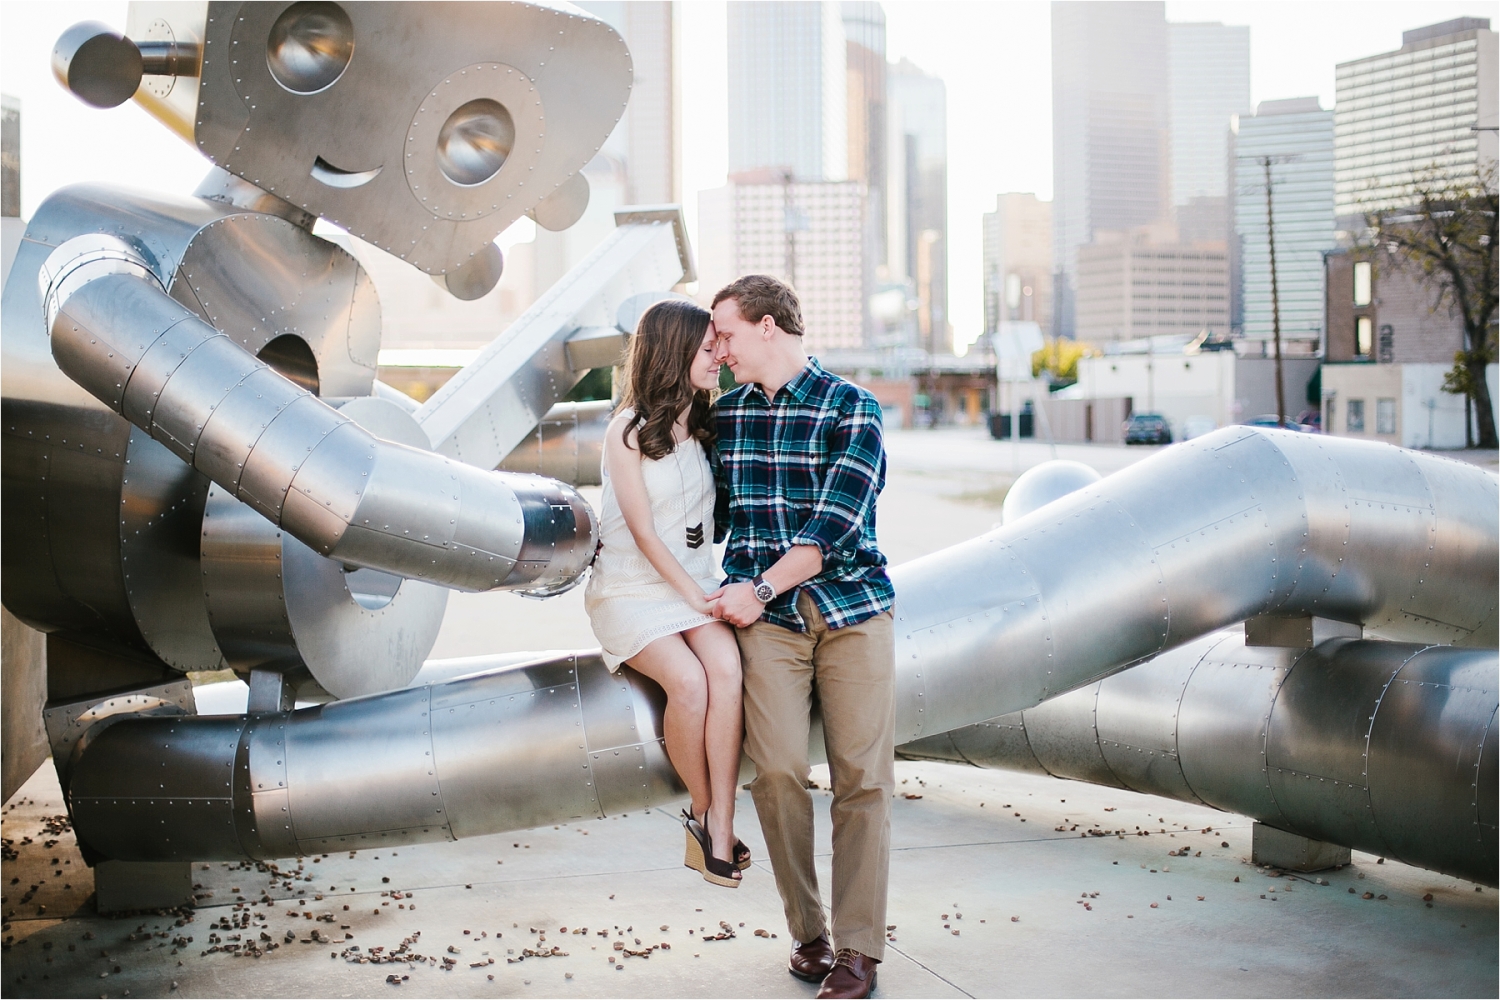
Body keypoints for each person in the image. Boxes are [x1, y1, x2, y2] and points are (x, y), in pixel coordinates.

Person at [707, 275, 895, 1000]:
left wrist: (755, 591)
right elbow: (702, 510)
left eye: (723, 331)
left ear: (767, 327)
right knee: (778, 772)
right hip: (771, 628)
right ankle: (809, 933)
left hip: (852, 610)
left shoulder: (854, 408)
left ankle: (858, 951)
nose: (716, 349)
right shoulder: (727, 416)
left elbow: (834, 529)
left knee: (862, 781)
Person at [583, 299, 749, 888]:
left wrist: (710, 590)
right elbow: (646, 536)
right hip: (632, 589)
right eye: (708, 348)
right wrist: (699, 599)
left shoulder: (706, 426)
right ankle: (704, 815)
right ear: (675, 353)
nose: (720, 358)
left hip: (697, 582)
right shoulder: (626, 432)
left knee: (727, 670)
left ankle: (724, 820)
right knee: (689, 681)